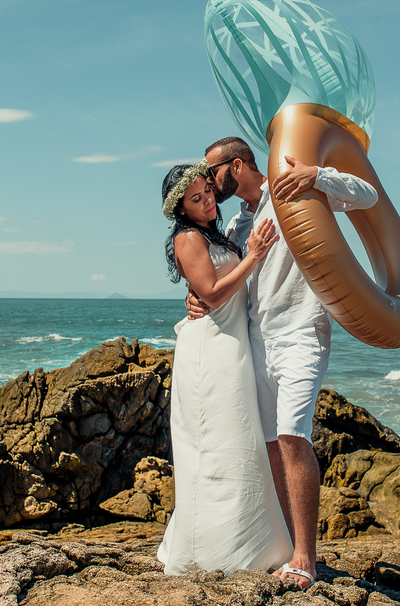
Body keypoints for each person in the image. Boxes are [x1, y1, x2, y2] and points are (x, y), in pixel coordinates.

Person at [190, 137, 378, 589]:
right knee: (273, 443)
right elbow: (219, 278)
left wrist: (317, 175)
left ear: (236, 165)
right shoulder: (237, 226)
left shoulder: (296, 190)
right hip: (257, 341)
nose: (210, 188)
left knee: (294, 436)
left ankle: (307, 560)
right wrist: (195, 297)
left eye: (212, 175)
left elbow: (368, 196)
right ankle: (291, 548)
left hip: (301, 334)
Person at [156, 160, 294, 575]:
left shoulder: (218, 233)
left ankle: (251, 544)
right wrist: (253, 256)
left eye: (209, 193)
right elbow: (212, 295)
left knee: (239, 442)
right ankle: (208, 551)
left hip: (232, 348)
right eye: (196, 200)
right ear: (181, 209)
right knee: (212, 445)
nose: (208, 203)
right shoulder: (186, 239)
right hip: (208, 353)